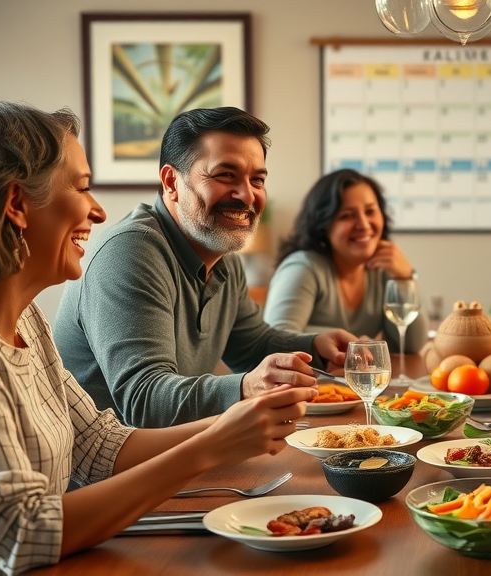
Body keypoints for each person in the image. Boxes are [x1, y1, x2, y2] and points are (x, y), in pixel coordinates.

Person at [0, 101, 311, 576]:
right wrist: (213, 442)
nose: (99, 210)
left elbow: (101, 445)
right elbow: (17, 532)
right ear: (17, 203)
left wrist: (234, 430)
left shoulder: (26, 323)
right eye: (82, 187)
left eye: (257, 179)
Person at [53, 107, 354, 428]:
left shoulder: (222, 257)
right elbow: (144, 400)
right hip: (111, 471)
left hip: (177, 454)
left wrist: (315, 346)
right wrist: (246, 386)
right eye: (225, 175)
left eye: (258, 179)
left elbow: (250, 344)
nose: (247, 195)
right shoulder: (130, 251)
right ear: (171, 182)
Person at [263, 168, 428, 353]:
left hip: (352, 381)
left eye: (370, 211)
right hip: (305, 381)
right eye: (347, 216)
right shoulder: (303, 268)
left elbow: (410, 347)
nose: (364, 225)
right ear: (323, 225)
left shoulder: (383, 269)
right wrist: (351, 344)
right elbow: (276, 342)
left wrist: (404, 278)